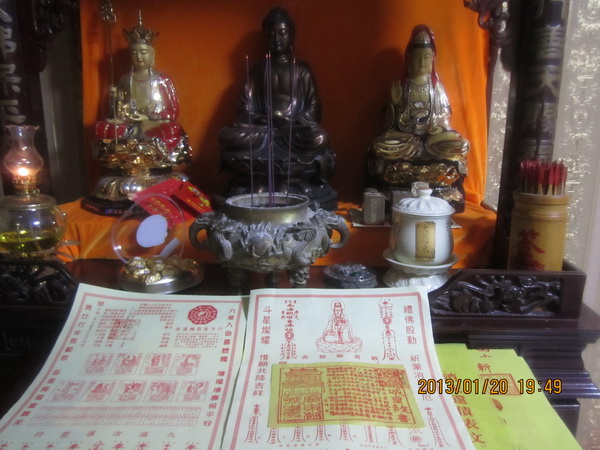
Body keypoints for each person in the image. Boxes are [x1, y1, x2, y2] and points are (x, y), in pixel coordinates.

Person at [219, 7, 336, 209]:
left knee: (318, 138)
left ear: (292, 35)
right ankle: (280, 181)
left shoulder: (302, 69)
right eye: (271, 34)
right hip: (263, 132)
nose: (277, 39)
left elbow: (314, 109)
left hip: (292, 131)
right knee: (227, 136)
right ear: (265, 37)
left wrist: (293, 120)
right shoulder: (257, 70)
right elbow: (244, 109)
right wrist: (261, 119)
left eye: (282, 33)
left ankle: (271, 182)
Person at [367, 25, 469, 206]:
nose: (422, 63)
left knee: (461, 145)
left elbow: (444, 119)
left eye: (426, 57)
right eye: (417, 57)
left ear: (433, 58)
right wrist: (394, 104)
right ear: (409, 58)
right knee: (379, 145)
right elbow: (389, 126)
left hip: (432, 141)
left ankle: (435, 182)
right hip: (407, 141)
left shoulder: (437, 88)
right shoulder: (400, 86)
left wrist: (438, 128)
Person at [94, 15, 191, 167]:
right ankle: (133, 138)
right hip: (129, 123)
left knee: (172, 128)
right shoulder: (125, 80)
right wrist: (114, 99)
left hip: (151, 124)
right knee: (102, 126)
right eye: (134, 53)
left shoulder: (162, 80)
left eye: (143, 52)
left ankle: (137, 141)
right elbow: (117, 112)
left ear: (152, 55)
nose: (138, 56)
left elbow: (173, 111)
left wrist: (148, 117)